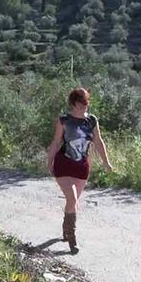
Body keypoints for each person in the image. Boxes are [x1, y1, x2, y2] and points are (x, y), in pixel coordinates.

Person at [47, 88, 112, 254]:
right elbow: (56, 142)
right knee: (72, 199)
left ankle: (65, 225)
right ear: (73, 104)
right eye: (80, 104)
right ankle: (72, 238)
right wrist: (50, 161)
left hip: (81, 166)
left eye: (86, 103)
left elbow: (98, 141)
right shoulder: (64, 120)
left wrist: (106, 162)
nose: (84, 106)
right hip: (63, 164)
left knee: (72, 203)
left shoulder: (91, 121)